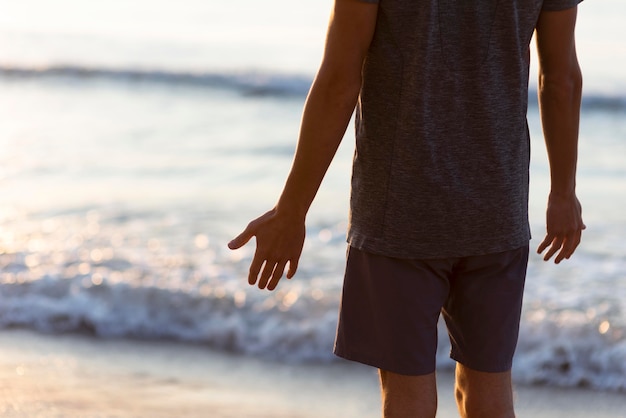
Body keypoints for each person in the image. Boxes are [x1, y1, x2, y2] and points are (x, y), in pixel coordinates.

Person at [228, 0, 585, 416]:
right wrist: (563, 190)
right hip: (496, 205)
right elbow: (560, 79)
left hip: (397, 208)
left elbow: (339, 80)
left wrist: (292, 209)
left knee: (407, 399)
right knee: (488, 394)